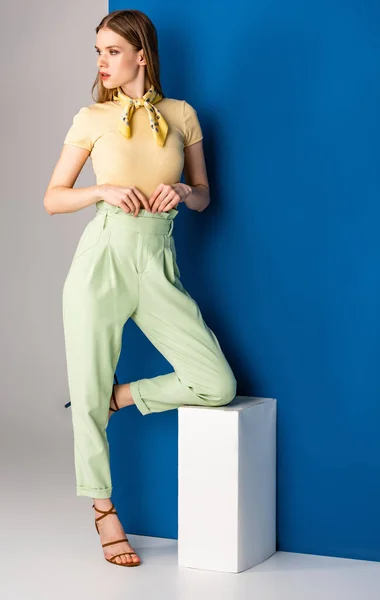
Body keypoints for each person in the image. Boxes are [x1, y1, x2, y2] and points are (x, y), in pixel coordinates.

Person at [44, 9, 237, 567]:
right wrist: (101, 190)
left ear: (141, 56)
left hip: (158, 261)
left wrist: (181, 190)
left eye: (111, 51)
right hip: (102, 258)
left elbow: (204, 195)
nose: (101, 62)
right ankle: (105, 513)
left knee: (215, 382)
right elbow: (54, 197)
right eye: (97, 51)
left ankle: (116, 398)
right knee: (83, 380)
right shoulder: (92, 117)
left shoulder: (181, 116)